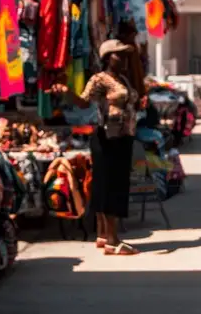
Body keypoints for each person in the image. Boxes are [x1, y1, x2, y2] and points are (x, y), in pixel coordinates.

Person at [50, 39, 140, 256]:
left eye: (125, 54)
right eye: (119, 54)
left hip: (123, 137)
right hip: (108, 138)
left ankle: (102, 236)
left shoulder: (124, 79)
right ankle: (113, 240)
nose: (124, 58)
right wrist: (65, 91)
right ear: (108, 57)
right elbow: (83, 102)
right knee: (110, 188)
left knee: (110, 185)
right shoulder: (100, 79)